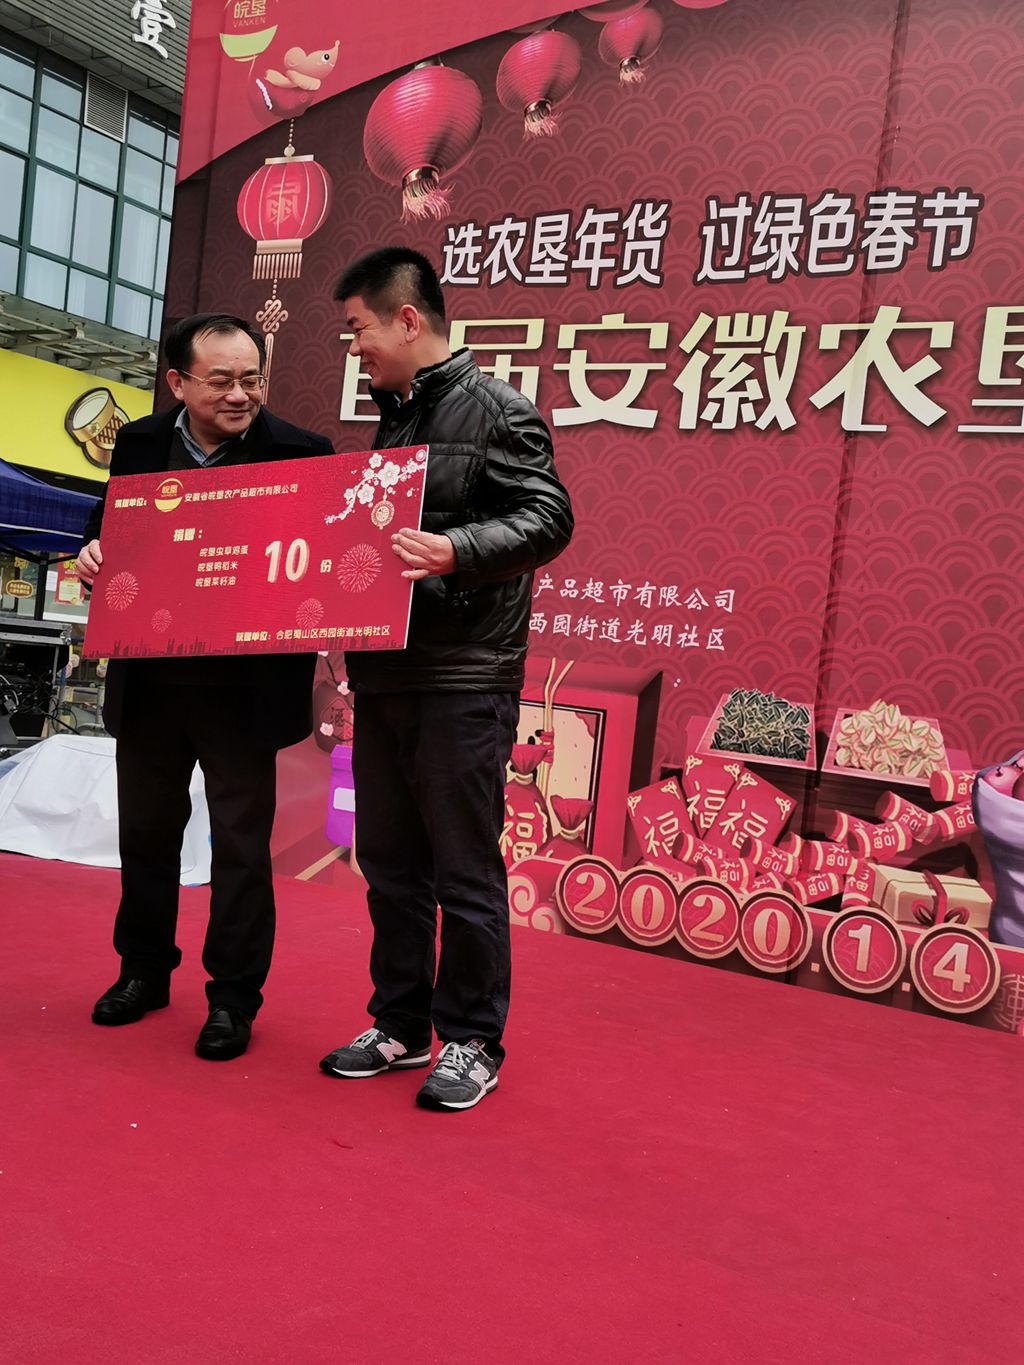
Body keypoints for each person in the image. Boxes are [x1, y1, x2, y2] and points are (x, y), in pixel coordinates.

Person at [319, 248, 573, 1110]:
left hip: (465, 675)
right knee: (390, 864)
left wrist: (458, 550)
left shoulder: (498, 410)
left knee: (464, 869)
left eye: (358, 328)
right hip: (387, 674)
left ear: (406, 319)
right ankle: (399, 1022)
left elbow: (549, 516)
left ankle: (471, 1039)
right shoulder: (396, 421)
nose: (355, 347)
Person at [77, 314, 334, 1060]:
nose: (239, 394)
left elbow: (319, 563)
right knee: (146, 836)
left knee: (241, 850)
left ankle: (232, 998)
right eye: (220, 380)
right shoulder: (138, 444)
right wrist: (92, 553)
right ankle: (143, 970)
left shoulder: (302, 453)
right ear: (178, 382)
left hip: (244, 691)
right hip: (152, 682)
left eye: (251, 378)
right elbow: (107, 530)